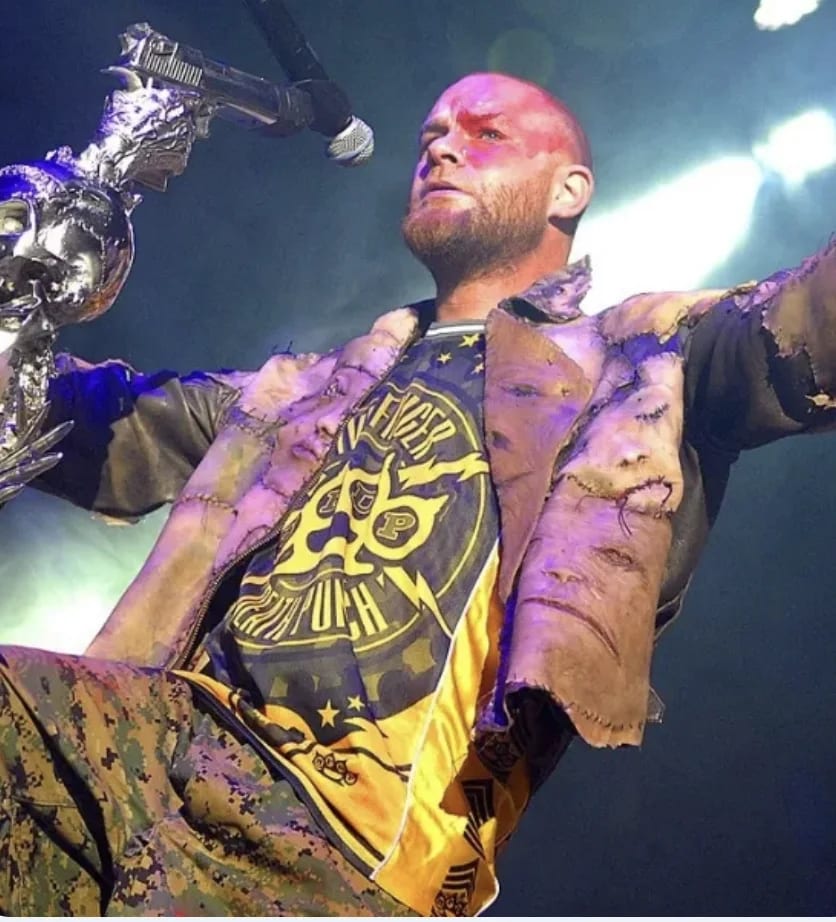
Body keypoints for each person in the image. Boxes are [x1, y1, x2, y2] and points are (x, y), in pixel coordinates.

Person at [1, 69, 835, 916]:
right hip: (151, 741)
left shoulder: (643, 363)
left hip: (337, 846)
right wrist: (17, 290)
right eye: (432, 135)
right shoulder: (305, 393)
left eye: (485, 134)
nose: (442, 148)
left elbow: (812, 323)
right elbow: (93, 421)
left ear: (569, 189)